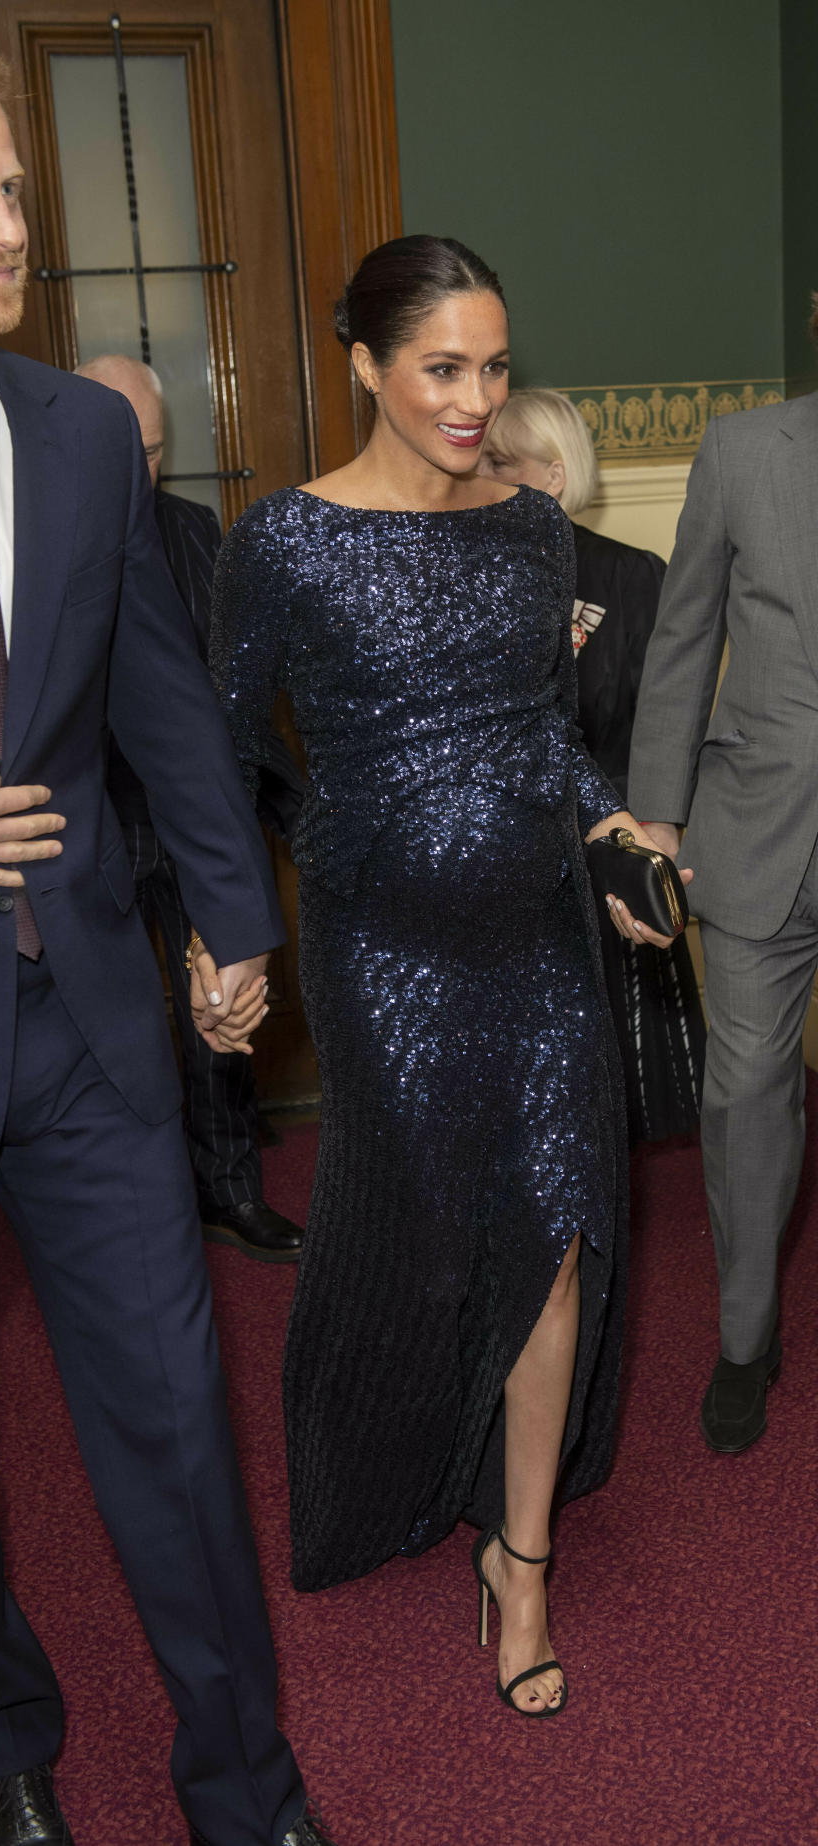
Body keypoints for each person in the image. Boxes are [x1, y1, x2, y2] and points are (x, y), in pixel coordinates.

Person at [0, 22, 336, 1846]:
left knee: (172, 1423)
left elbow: (160, 708)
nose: (8, 228)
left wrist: (232, 920)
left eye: (17, 191)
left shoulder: (78, 435)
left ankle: (248, 1786)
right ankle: (1, 1749)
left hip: (87, 1031)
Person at [207, 234, 682, 1718]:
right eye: (442, 369)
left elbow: (547, 729)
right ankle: (395, 1464)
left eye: (493, 366)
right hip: (384, 949)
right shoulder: (282, 540)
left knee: (554, 1226)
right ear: (364, 363)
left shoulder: (530, 531)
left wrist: (607, 831)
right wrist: (295, 863)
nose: (477, 398)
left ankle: (521, 1553)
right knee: (411, 1224)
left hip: (538, 936)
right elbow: (223, 744)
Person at [628, 297, 818, 1456]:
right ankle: (747, 1338)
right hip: (756, 834)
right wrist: (657, 816)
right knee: (746, 1095)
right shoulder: (747, 451)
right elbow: (683, 636)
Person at [75, 353, 305, 1264]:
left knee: (222, 1004)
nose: (142, 474)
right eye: (124, 452)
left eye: (156, 452)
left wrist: (255, 810)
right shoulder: (32, 534)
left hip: (190, 818)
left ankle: (231, 1191)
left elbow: (228, 695)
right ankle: (125, 1207)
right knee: (109, 1025)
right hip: (88, 824)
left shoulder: (193, 526)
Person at [481, 388, 705, 1145]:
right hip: (498, 839)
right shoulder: (462, 573)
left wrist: (652, 832)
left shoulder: (634, 576)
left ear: (550, 474)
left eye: (498, 461)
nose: (478, 471)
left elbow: (664, 718)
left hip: (609, 827)